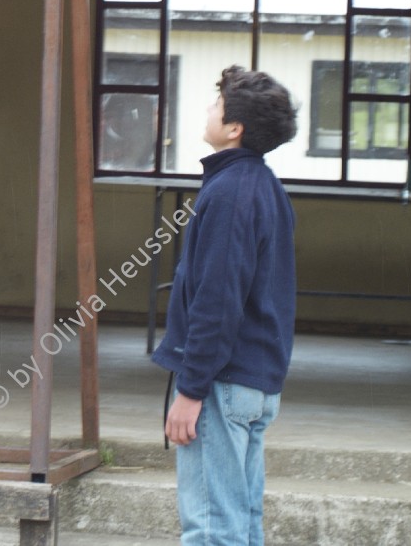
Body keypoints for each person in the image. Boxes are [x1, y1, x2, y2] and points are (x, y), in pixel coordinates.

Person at [154, 65, 298, 546]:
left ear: (234, 128)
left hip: (223, 383)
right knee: (241, 523)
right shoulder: (266, 187)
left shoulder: (230, 192)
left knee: (214, 530)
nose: (209, 111)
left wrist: (191, 390)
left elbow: (217, 302)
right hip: (254, 382)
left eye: (217, 106)